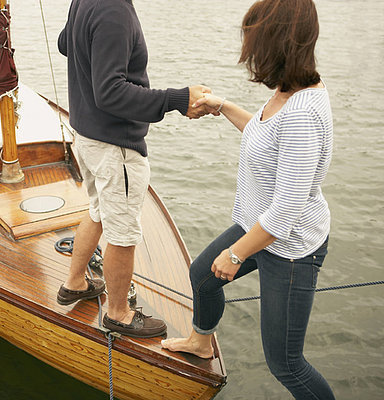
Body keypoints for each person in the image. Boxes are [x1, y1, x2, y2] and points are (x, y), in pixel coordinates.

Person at [161, 0, 336, 398]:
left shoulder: (303, 114)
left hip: (290, 247)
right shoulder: (286, 92)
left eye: (254, 40)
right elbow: (264, 138)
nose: (249, 51)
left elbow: (288, 210)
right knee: (203, 277)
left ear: (277, 43)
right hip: (260, 226)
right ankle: (201, 342)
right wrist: (223, 107)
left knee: (286, 364)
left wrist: (237, 253)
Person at [55, 0, 214, 338]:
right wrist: (179, 99)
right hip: (115, 146)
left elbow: (65, 43)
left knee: (99, 210)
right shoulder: (114, 10)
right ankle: (118, 314)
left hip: (86, 134)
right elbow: (110, 93)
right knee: (122, 233)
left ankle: (75, 282)